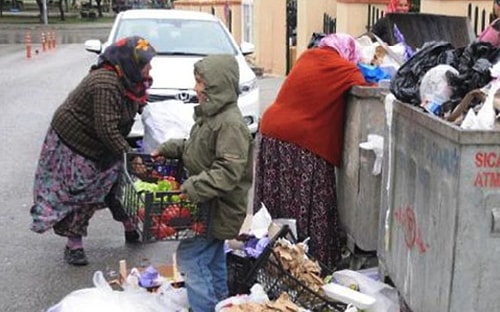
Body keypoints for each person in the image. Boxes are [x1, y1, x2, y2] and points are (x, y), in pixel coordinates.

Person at [29, 36, 156, 266]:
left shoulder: (133, 80)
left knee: (119, 182)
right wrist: (130, 156)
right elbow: (106, 129)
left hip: (102, 140)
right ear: (130, 63)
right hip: (75, 141)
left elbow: (136, 106)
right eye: (146, 63)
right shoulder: (105, 83)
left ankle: (130, 228)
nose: (150, 67)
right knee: (82, 191)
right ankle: (73, 245)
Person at [252, 33, 367, 270]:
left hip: (272, 133)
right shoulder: (341, 67)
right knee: (314, 201)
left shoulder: (308, 57)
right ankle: (314, 263)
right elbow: (365, 83)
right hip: (301, 141)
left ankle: (270, 259)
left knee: (276, 204)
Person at [151, 54, 254, 312]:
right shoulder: (211, 117)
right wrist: (173, 148)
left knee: (192, 257)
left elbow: (228, 171)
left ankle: (206, 308)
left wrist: (192, 187)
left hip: (217, 208)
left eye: (201, 83)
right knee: (212, 259)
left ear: (217, 87)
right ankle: (222, 304)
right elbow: (197, 151)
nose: (196, 88)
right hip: (207, 206)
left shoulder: (230, 124)